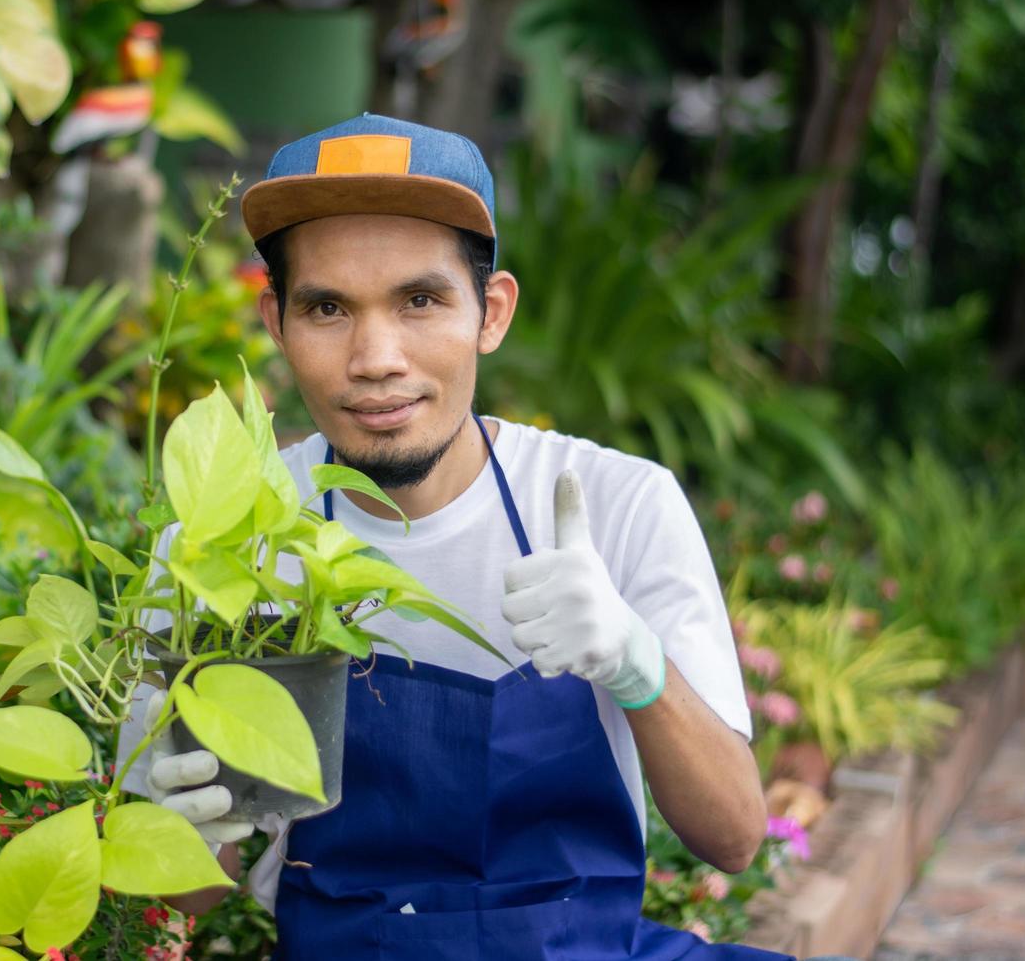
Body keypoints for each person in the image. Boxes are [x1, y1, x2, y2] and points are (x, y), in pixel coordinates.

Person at [130, 114, 799, 960]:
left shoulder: (617, 502)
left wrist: (636, 664)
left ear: (491, 312)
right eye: (328, 307)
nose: (375, 357)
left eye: (420, 300)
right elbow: (180, 898)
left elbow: (736, 840)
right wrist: (193, 807)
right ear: (276, 321)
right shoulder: (222, 537)